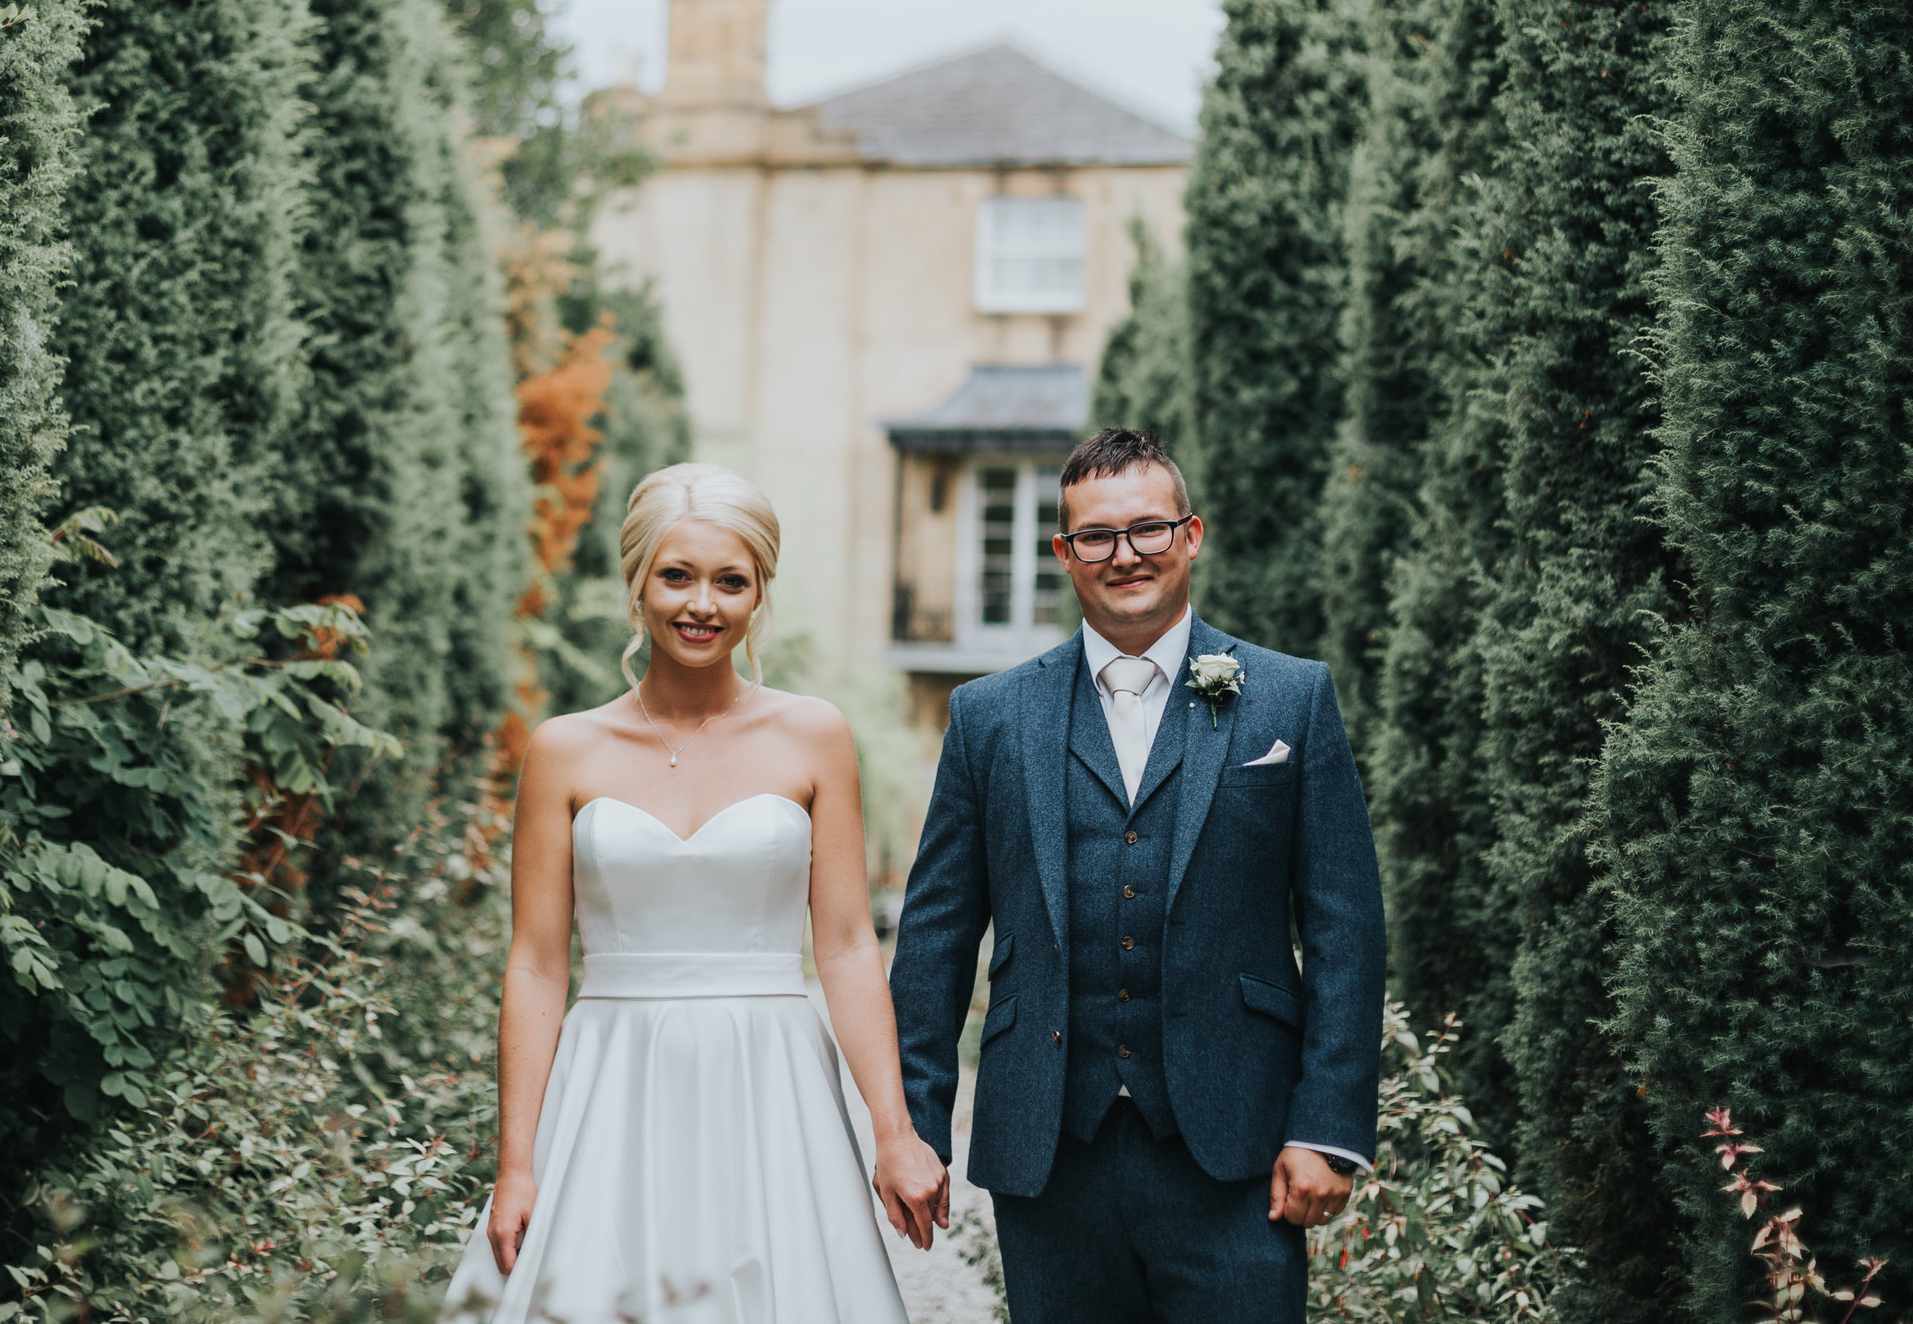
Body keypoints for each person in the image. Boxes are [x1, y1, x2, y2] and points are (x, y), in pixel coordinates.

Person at [890, 428, 1387, 1324]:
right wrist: (913, 1126)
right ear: (1064, 553)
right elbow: (934, 934)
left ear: (1191, 535)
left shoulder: (1289, 698)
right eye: (1097, 536)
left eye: (1149, 529)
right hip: (1050, 1149)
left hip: (1239, 1150)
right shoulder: (988, 717)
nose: (1126, 554)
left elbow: (1346, 924)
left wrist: (1327, 1128)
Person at [446, 462, 948, 1324]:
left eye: (730, 580)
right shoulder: (563, 750)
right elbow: (535, 963)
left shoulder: (815, 734)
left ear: (760, 595)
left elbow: (846, 945)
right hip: (610, 1078)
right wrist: (517, 1161)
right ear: (636, 582)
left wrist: (894, 1130)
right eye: (676, 575)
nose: (701, 604)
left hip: (774, 1077)